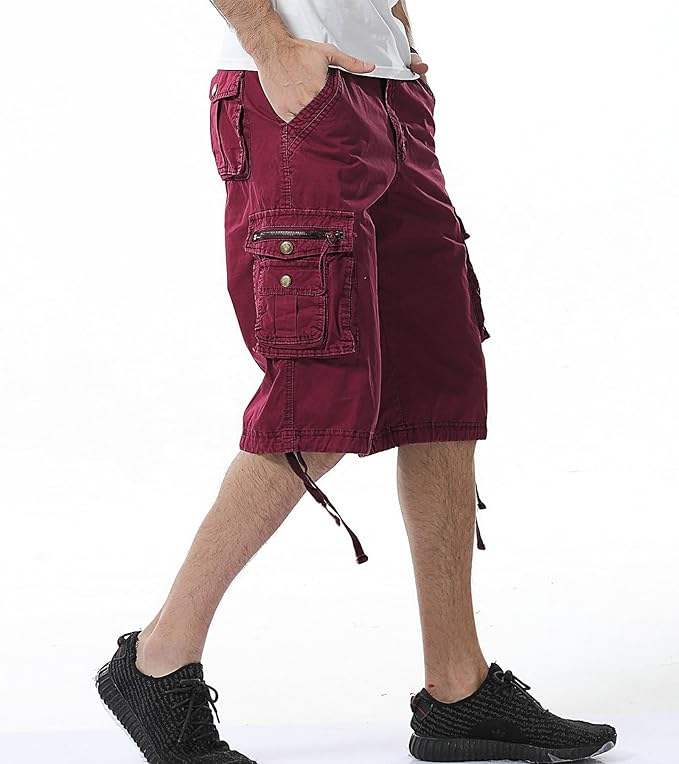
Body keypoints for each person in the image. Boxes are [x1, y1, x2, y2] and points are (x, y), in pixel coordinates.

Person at [95, 2, 617, 762]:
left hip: (389, 92)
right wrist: (271, 45)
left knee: (441, 389)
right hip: (294, 100)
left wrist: (394, 26)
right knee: (317, 399)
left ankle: (458, 690)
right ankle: (156, 661)